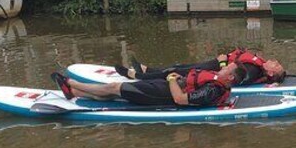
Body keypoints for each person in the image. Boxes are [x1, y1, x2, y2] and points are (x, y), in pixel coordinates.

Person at [51, 63, 245, 107]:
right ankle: (75, 92)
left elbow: (180, 99)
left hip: (162, 95)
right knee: (115, 95)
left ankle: (69, 82)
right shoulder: (217, 81)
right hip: (163, 87)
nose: (224, 67)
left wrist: (171, 80)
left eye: (228, 69)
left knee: (113, 88)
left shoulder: (213, 89)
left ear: (229, 79)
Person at [116, 47, 287, 86]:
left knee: (176, 72)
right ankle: (146, 70)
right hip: (217, 64)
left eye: (276, 65)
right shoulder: (259, 66)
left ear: (270, 71)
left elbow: (226, 75)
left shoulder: (252, 69)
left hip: (213, 70)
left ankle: (138, 76)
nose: (275, 61)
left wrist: (221, 61)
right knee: (178, 66)